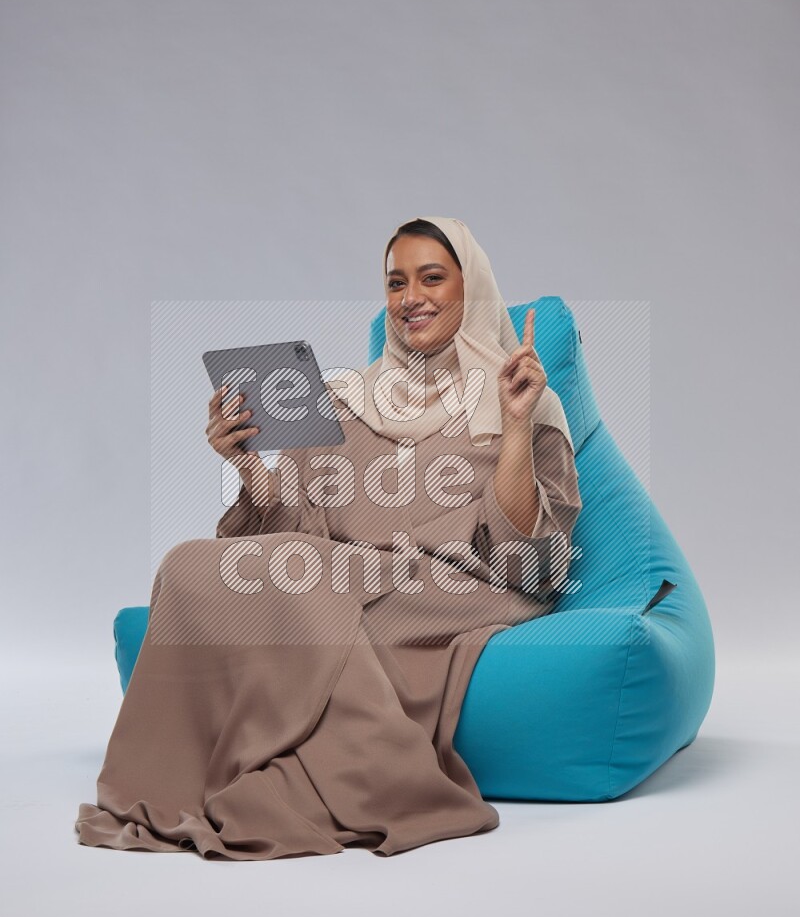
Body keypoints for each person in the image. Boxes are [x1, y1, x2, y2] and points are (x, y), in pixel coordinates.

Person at [74, 216, 582, 860]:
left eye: (432, 278)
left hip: (458, 588)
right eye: (396, 282)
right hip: (338, 576)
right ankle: (168, 768)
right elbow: (297, 531)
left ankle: (346, 771)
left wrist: (513, 426)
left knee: (309, 575)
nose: (411, 297)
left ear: (471, 288)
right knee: (190, 565)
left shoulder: (524, 398)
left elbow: (525, 560)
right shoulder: (348, 401)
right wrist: (249, 465)